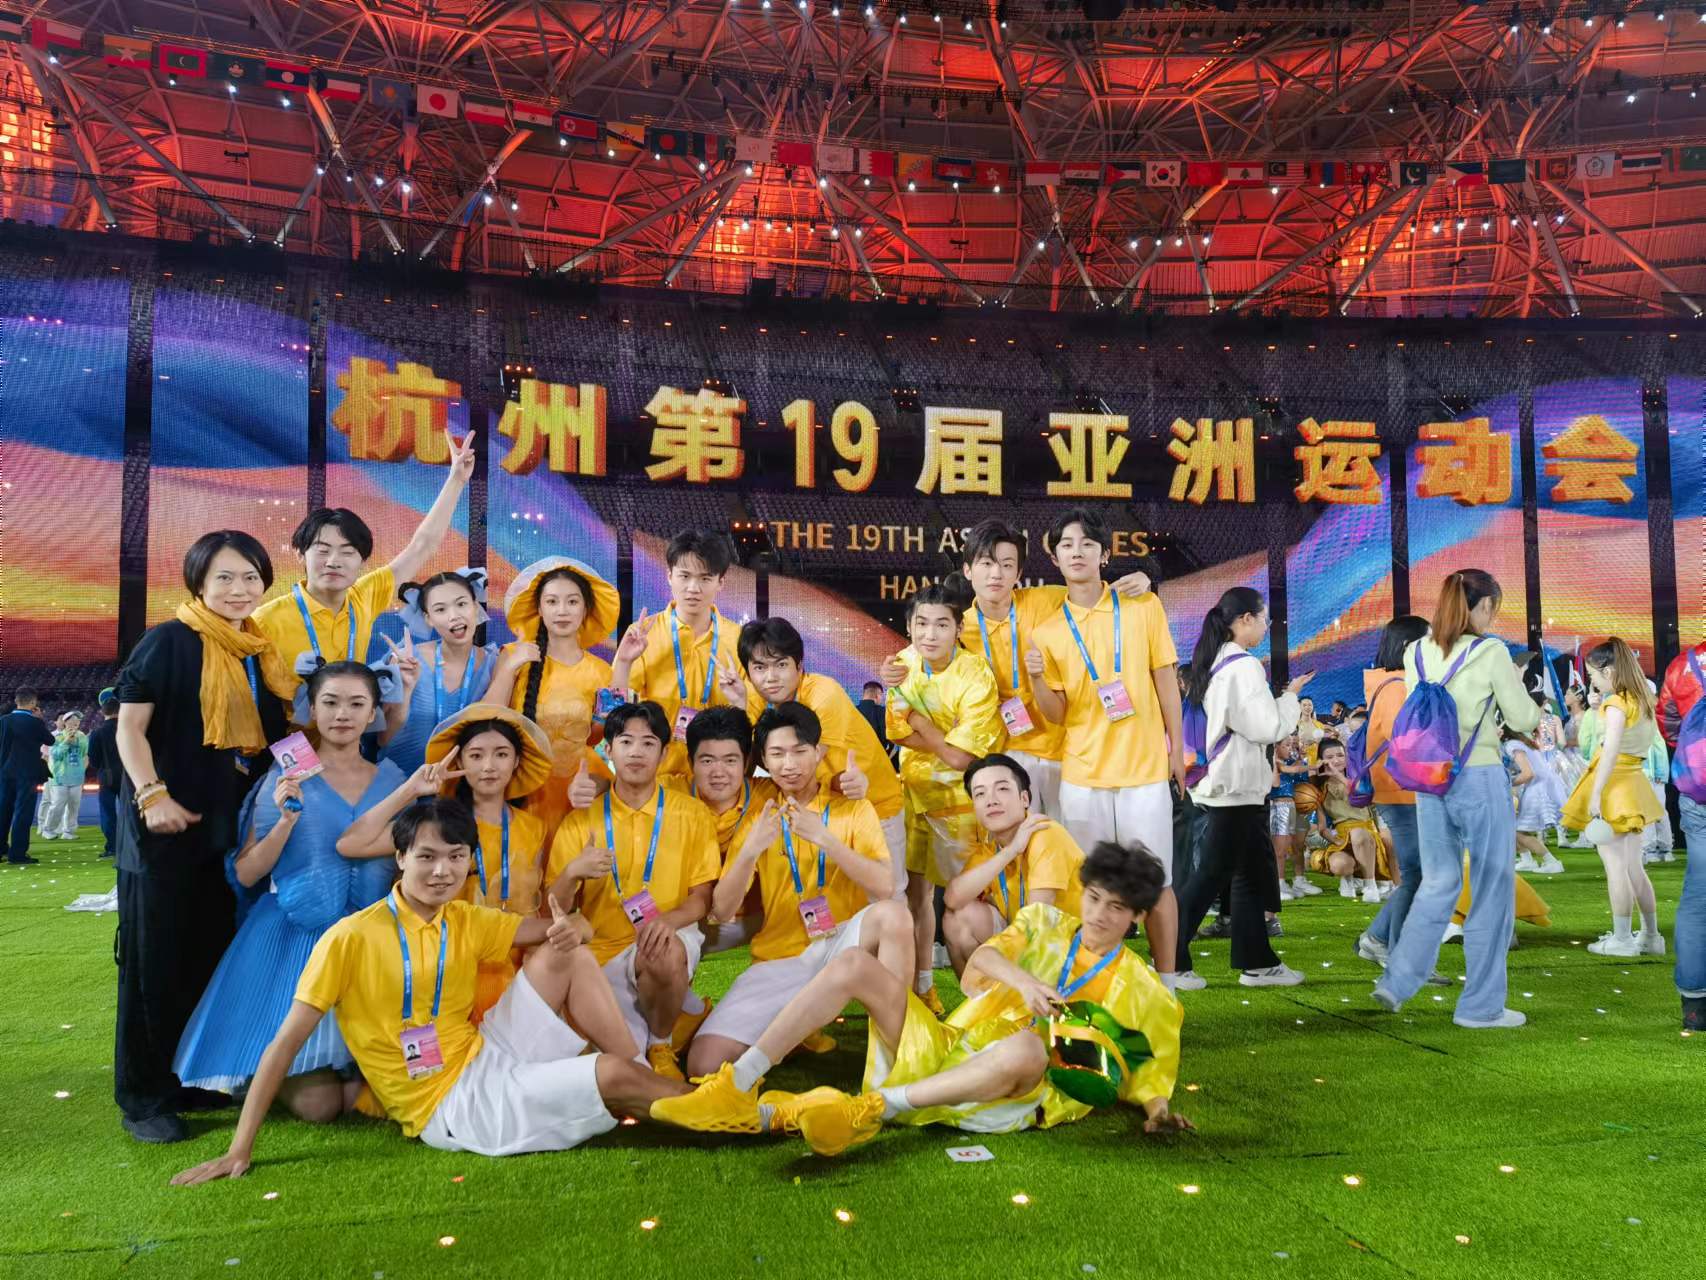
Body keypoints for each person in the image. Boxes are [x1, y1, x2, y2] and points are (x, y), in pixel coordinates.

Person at [168, 797, 691, 1183]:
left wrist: (577, 927)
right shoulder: (350, 938)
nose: (442, 871)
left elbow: (553, 932)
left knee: (567, 954)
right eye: (427, 857)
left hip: (485, 1050)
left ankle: (651, 1075)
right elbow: (283, 1046)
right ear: (400, 858)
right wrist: (240, 1149)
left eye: (456, 857)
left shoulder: (461, 917)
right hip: (449, 1104)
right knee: (610, 1074)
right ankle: (721, 1109)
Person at [651, 842, 1187, 1155]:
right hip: (950, 1045)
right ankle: (737, 1084)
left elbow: (1149, 1071)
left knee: (1030, 1048)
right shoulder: (1044, 921)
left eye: (1116, 908)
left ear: (1138, 917)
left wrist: (1158, 1111)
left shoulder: (1145, 991)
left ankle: (875, 1108)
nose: (1098, 915)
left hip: (1014, 1087)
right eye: (1093, 898)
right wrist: (1025, 983)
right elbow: (983, 961)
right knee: (853, 964)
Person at [113, 531, 295, 1142]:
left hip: (223, 834)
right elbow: (130, 728)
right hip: (162, 833)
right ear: (198, 582)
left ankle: (184, 1077)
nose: (239, 589)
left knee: (204, 955)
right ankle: (143, 1097)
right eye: (224, 577)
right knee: (152, 962)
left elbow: (274, 742)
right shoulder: (170, 641)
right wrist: (152, 795)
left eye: (250, 578)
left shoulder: (256, 652)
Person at [173, 662, 406, 1113]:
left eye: (356, 703)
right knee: (321, 1108)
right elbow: (246, 874)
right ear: (312, 709)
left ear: (374, 712)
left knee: (376, 1096)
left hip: (373, 946)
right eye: (330, 702)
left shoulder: (394, 780)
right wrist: (284, 822)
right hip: (295, 944)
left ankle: (352, 1067)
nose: (343, 714)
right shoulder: (285, 775)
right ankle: (284, 1071)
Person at [684, 702, 910, 1080]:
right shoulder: (759, 817)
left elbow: (885, 886)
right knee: (704, 1064)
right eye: (777, 754)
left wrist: (826, 839)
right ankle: (794, 1035)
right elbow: (720, 912)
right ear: (763, 761)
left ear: (819, 752)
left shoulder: (852, 808)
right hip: (779, 960)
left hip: (842, 944)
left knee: (894, 916)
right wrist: (750, 851)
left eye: (799, 751)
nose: (789, 764)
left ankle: (898, 1058)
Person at [1026, 507, 1187, 990]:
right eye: (1067, 545)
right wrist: (1037, 678)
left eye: (1087, 544)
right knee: (1090, 888)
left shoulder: (1142, 606)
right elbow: (1056, 714)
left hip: (1144, 769)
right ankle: (1094, 983)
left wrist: (1176, 749)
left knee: (1157, 881)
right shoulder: (1048, 631)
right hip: (1082, 774)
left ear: (1104, 554)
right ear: (1054, 558)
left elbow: (1165, 678)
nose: (1076, 552)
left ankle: (1167, 982)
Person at [1373, 569, 1540, 1030]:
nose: (1493, 618)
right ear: (1483, 605)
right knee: (1491, 891)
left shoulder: (1415, 651)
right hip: (1480, 777)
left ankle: (1397, 980)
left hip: (1430, 778)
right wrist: (1517, 681)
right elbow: (1523, 716)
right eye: (1493, 609)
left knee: (1438, 882)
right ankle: (1481, 1007)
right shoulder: (1491, 652)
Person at [545, 701, 721, 1080]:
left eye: (648, 743)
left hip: (665, 937)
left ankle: (661, 1043)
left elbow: (701, 897)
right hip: (601, 951)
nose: (636, 752)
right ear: (608, 750)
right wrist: (573, 872)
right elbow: (554, 907)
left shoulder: (691, 814)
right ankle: (676, 1018)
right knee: (603, 1063)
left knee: (664, 950)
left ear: (664, 753)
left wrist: (668, 922)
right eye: (626, 742)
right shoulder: (581, 821)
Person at [956, 520, 1152, 821]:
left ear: (1018, 574)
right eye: (986, 563)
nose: (996, 574)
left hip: (1066, 750)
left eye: (1007, 565)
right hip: (1006, 754)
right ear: (968, 570)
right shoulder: (959, 629)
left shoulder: (1046, 600)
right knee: (1020, 838)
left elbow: (1097, 593)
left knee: (1071, 842)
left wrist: (1143, 579)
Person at [252, 432, 474, 698]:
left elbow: (422, 546)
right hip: (289, 726)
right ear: (300, 554)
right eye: (322, 550)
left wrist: (456, 480)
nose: (333, 561)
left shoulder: (363, 597)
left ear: (362, 560)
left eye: (347, 552)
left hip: (352, 723)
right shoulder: (264, 621)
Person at [1171, 589, 1310, 990]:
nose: (1266, 627)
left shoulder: (1213, 661)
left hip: (1224, 784)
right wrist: (1290, 697)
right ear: (1246, 619)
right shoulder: (1243, 666)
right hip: (1234, 787)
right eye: (1264, 619)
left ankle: (1257, 961)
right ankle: (1171, 960)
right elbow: (1267, 727)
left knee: (1247, 874)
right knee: (1211, 875)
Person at [882, 581, 1004, 1013]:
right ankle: (924, 990)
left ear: (958, 629)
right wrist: (940, 737)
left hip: (962, 803)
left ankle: (991, 997)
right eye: (921, 624)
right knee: (915, 900)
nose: (929, 634)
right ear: (909, 626)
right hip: (914, 796)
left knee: (965, 906)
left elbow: (960, 758)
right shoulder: (902, 664)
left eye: (940, 625)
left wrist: (921, 723)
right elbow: (896, 733)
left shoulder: (975, 674)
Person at [723, 617, 906, 890]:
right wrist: (739, 707)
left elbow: (805, 770)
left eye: (781, 665)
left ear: (799, 665)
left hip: (873, 805)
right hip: (819, 811)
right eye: (759, 667)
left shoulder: (824, 694)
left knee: (886, 897)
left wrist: (840, 783)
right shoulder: (752, 696)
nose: (770, 677)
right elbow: (749, 765)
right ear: (748, 672)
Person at [485, 557, 620, 835]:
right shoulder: (513, 655)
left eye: (572, 602)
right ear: (539, 608)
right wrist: (510, 669)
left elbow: (600, 737)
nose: (562, 611)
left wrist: (625, 664)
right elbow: (487, 719)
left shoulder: (601, 671)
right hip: (518, 790)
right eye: (552, 601)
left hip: (578, 792)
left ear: (585, 608)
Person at [610, 530, 745, 782]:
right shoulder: (642, 634)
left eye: (705, 578)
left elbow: (749, 718)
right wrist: (625, 662)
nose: (693, 588)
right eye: (685, 576)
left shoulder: (738, 640)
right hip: (654, 777)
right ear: (669, 576)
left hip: (715, 779)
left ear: (720, 582)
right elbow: (614, 713)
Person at [1562, 638, 1665, 958]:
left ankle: (1622, 938)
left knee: (1617, 867)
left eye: (1593, 675)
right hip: (1633, 783)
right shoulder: (1642, 699)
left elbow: (1609, 751)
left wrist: (1596, 794)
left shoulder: (1617, 703)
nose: (1592, 682)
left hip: (1615, 786)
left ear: (1608, 671)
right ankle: (1650, 936)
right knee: (1633, 866)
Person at [942, 753, 1085, 973]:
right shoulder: (992, 848)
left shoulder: (1045, 833)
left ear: (1024, 799)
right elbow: (953, 898)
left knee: (1034, 928)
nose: (991, 800)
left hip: (1067, 947)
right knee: (957, 919)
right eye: (980, 793)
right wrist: (1010, 851)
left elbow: (1039, 921)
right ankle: (981, 995)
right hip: (1026, 939)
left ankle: (1020, 992)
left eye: (1002, 788)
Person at [1357, 616, 1435, 969]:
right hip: (1402, 790)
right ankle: (1391, 947)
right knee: (1416, 873)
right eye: (1428, 641)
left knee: (1418, 873)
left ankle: (1379, 939)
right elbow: (1405, 739)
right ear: (1408, 647)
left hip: (1402, 790)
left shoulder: (1392, 683)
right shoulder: (1398, 686)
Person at [380, 570, 499, 775]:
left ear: (475, 606)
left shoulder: (495, 664)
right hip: (403, 784)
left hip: (465, 785)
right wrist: (405, 689)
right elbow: (382, 740)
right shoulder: (405, 660)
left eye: (461, 604)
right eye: (441, 609)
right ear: (428, 618)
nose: (454, 616)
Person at [1656, 635, 1706, 1028]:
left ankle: (1694, 1004)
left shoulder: (1683, 665)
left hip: (1698, 790)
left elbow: (1669, 725)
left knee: (1698, 895)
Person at [1312, 739, 1392, 902]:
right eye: (1330, 757)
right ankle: (1349, 878)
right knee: (1340, 864)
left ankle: (1370, 885)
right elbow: (1322, 828)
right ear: (1321, 760)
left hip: (1367, 834)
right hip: (1342, 838)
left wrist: (1338, 775)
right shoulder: (1320, 789)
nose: (1336, 760)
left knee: (1358, 834)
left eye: (1340, 755)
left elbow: (1362, 793)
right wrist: (1335, 840)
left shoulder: (1358, 777)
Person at [0, 689, 54, 865]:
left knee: (3, 810)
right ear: (33, 703)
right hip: (27, 773)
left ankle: (1, 849)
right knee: (23, 812)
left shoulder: (4, 720)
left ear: (17, 701)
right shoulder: (34, 722)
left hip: (5, 772)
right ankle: (17, 854)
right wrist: (39, 720)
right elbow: (50, 740)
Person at [1506, 730, 1566, 875]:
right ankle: (1527, 860)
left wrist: (1506, 782)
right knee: (1515, 829)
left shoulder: (1512, 745)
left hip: (1538, 790)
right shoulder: (1523, 742)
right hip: (1542, 787)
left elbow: (1528, 773)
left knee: (1519, 832)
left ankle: (1552, 862)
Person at [1268, 735, 1313, 898]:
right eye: (1286, 745)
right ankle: (1277, 885)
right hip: (1278, 806)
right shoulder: (1275, 763)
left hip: (1290, 806)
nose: (1290, 748)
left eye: (1291, 745)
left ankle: (1282, 882)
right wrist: (1314, 765)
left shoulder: (1287, 762)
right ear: (1275, 747)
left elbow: (1298, 770)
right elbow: (1277, 782)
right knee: (1279, 849)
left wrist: (1301, 758)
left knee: (1286, 845)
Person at [39, 710, 89, 839]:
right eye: (72, 719)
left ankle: (68, 831)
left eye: (78, 720)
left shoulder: (82, 736)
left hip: (76, 776)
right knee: (57, 805)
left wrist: (76, 741)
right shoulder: (57, 737)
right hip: (60, 777)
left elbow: (84, 752)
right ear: (65, 722)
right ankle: (48, 829)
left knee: (74, 806)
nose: (76, 722)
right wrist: (66, 742)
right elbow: (55, 755)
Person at [88, 691, 123, 857]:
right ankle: (132, 845)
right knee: (130, 811)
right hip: (128, 776)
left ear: (103, 712)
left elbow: (93, 759)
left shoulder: (97, 733)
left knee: (108, 812)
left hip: (106, 776)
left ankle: (112, 847)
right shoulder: (129, 729)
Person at [857, 682, 897, 767]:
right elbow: (892, 740)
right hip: (879, 764)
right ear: (877, 695)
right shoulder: (885, 712)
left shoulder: (851, 711)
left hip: (855, 764)